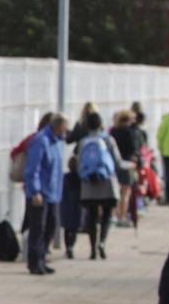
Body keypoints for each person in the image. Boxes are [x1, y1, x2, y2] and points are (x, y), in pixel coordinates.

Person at [22, 113, 69, 276]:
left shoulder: (57, 142)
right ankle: (34, 262)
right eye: (65, 127)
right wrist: (35, 191)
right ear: (57, 126)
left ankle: (42, 258)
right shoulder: (41, 141)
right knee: (38, 228)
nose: (67, 130)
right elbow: (32, 168)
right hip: (40, 194)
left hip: (53, 193)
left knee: (51, 226)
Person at [78, 111, 125, 260]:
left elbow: (80, 163)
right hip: (106, 182)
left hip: (89, 183)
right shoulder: (108, 140)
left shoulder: (83, 141)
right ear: (100, 124)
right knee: (106, 215)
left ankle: (92, 248)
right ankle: (102, 242)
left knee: (91, 216)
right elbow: (117, 161)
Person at [110, 109, 142, 225]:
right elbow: (134, 149)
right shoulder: (130, 132)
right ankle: (122, 216)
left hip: (115, 164)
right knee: (125, 192)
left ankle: (114, 214)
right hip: (127, 164)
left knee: (115, 191)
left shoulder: (113, 131)